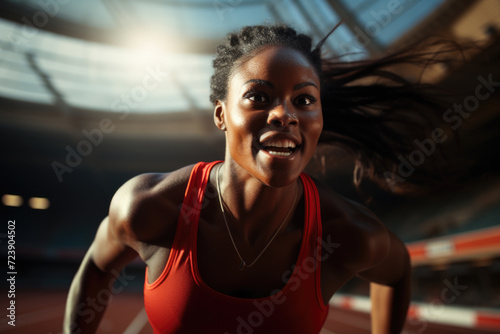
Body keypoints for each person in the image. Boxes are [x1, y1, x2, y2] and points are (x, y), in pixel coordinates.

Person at [64, 23, 464, 333]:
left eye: (304, 100)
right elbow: (96, 270)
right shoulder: (149, 208)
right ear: (221, 114)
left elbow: (396, 273)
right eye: (259, 96)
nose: (285, 115)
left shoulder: (348, 234)